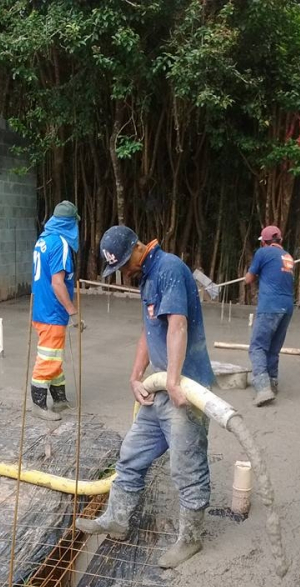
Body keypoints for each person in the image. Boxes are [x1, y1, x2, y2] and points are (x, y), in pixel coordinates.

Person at [76, 226, 215, 569]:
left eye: (125, 264)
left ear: (138, 249)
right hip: (160, 387)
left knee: (186, 466)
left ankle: (191, 539)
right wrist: (136, 376)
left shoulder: (167, 268)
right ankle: (117, 520)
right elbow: (149, 330)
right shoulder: (147, 277)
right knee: (131, 454)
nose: (124, 272)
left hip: (185, 388)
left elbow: (178, 325)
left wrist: (172, 382)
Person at [31, 201, 83, 421]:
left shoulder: (43, 240)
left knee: (54, 357)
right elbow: (57, 283)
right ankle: (39, 405)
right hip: (52, 312)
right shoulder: (60, 244)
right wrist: (73, 312)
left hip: (42, 309)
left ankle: (60, 399)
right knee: (48, 358)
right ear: (70, 223)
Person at [245, 225, 294, 406]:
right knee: (273, 347)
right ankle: (272, 382)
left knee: (257, 347)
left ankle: (263, 387)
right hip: (287, 307)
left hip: (270, 306)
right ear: (280, 241)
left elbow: (249, 279)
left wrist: (247, 277)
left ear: (265, 242)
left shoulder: (262, 253)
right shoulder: (288, 257)